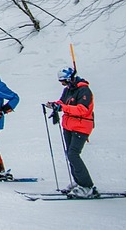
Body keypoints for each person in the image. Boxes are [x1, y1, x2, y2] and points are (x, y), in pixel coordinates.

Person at [47, 66, 97, 198]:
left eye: (63, 81)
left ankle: (87, 186)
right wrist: (54, 105)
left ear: (70, 79)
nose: (62, 83)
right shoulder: (68, 90)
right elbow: (62, 102)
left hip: (82, 126)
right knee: (69, 154)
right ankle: (79, 182)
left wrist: (62, 107)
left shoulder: (84, 90)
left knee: (73, 154)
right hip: (69, 126)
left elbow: (82, 109)